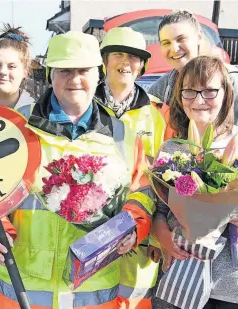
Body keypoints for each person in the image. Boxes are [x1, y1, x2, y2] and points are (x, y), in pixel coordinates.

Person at [0, 31, 156, 309]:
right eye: (64, 71)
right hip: (22, 284)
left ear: (98, 74)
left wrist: (133, 228)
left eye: (83, 70)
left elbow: (141, 193)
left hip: (93, 289)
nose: (74, 79)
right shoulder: (16, 129)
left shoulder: (124, 136)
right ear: (50, 75)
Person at [152, 56, 238, 309]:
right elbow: (158, 210)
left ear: (226, 94)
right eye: (189, 91)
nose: (199, 100)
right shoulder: (172, 149)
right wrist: (163, 237)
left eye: (210, 91)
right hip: (181, 284)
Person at [96, 26, 166, 309]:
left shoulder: (159, 114)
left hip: (140, 232)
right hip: (91, 231)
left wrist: (158, 239)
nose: (126, 62)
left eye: (134, 57)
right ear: (104, 61)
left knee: (134, 300)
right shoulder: (83, 106)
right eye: (118, 54)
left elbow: (165, 179)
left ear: (142, 66)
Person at [148, 10, 238, 129]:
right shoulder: (161, 88)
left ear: (199, 37)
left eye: (181, 39)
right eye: (166, 43)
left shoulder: (230, 80)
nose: (174, 48)